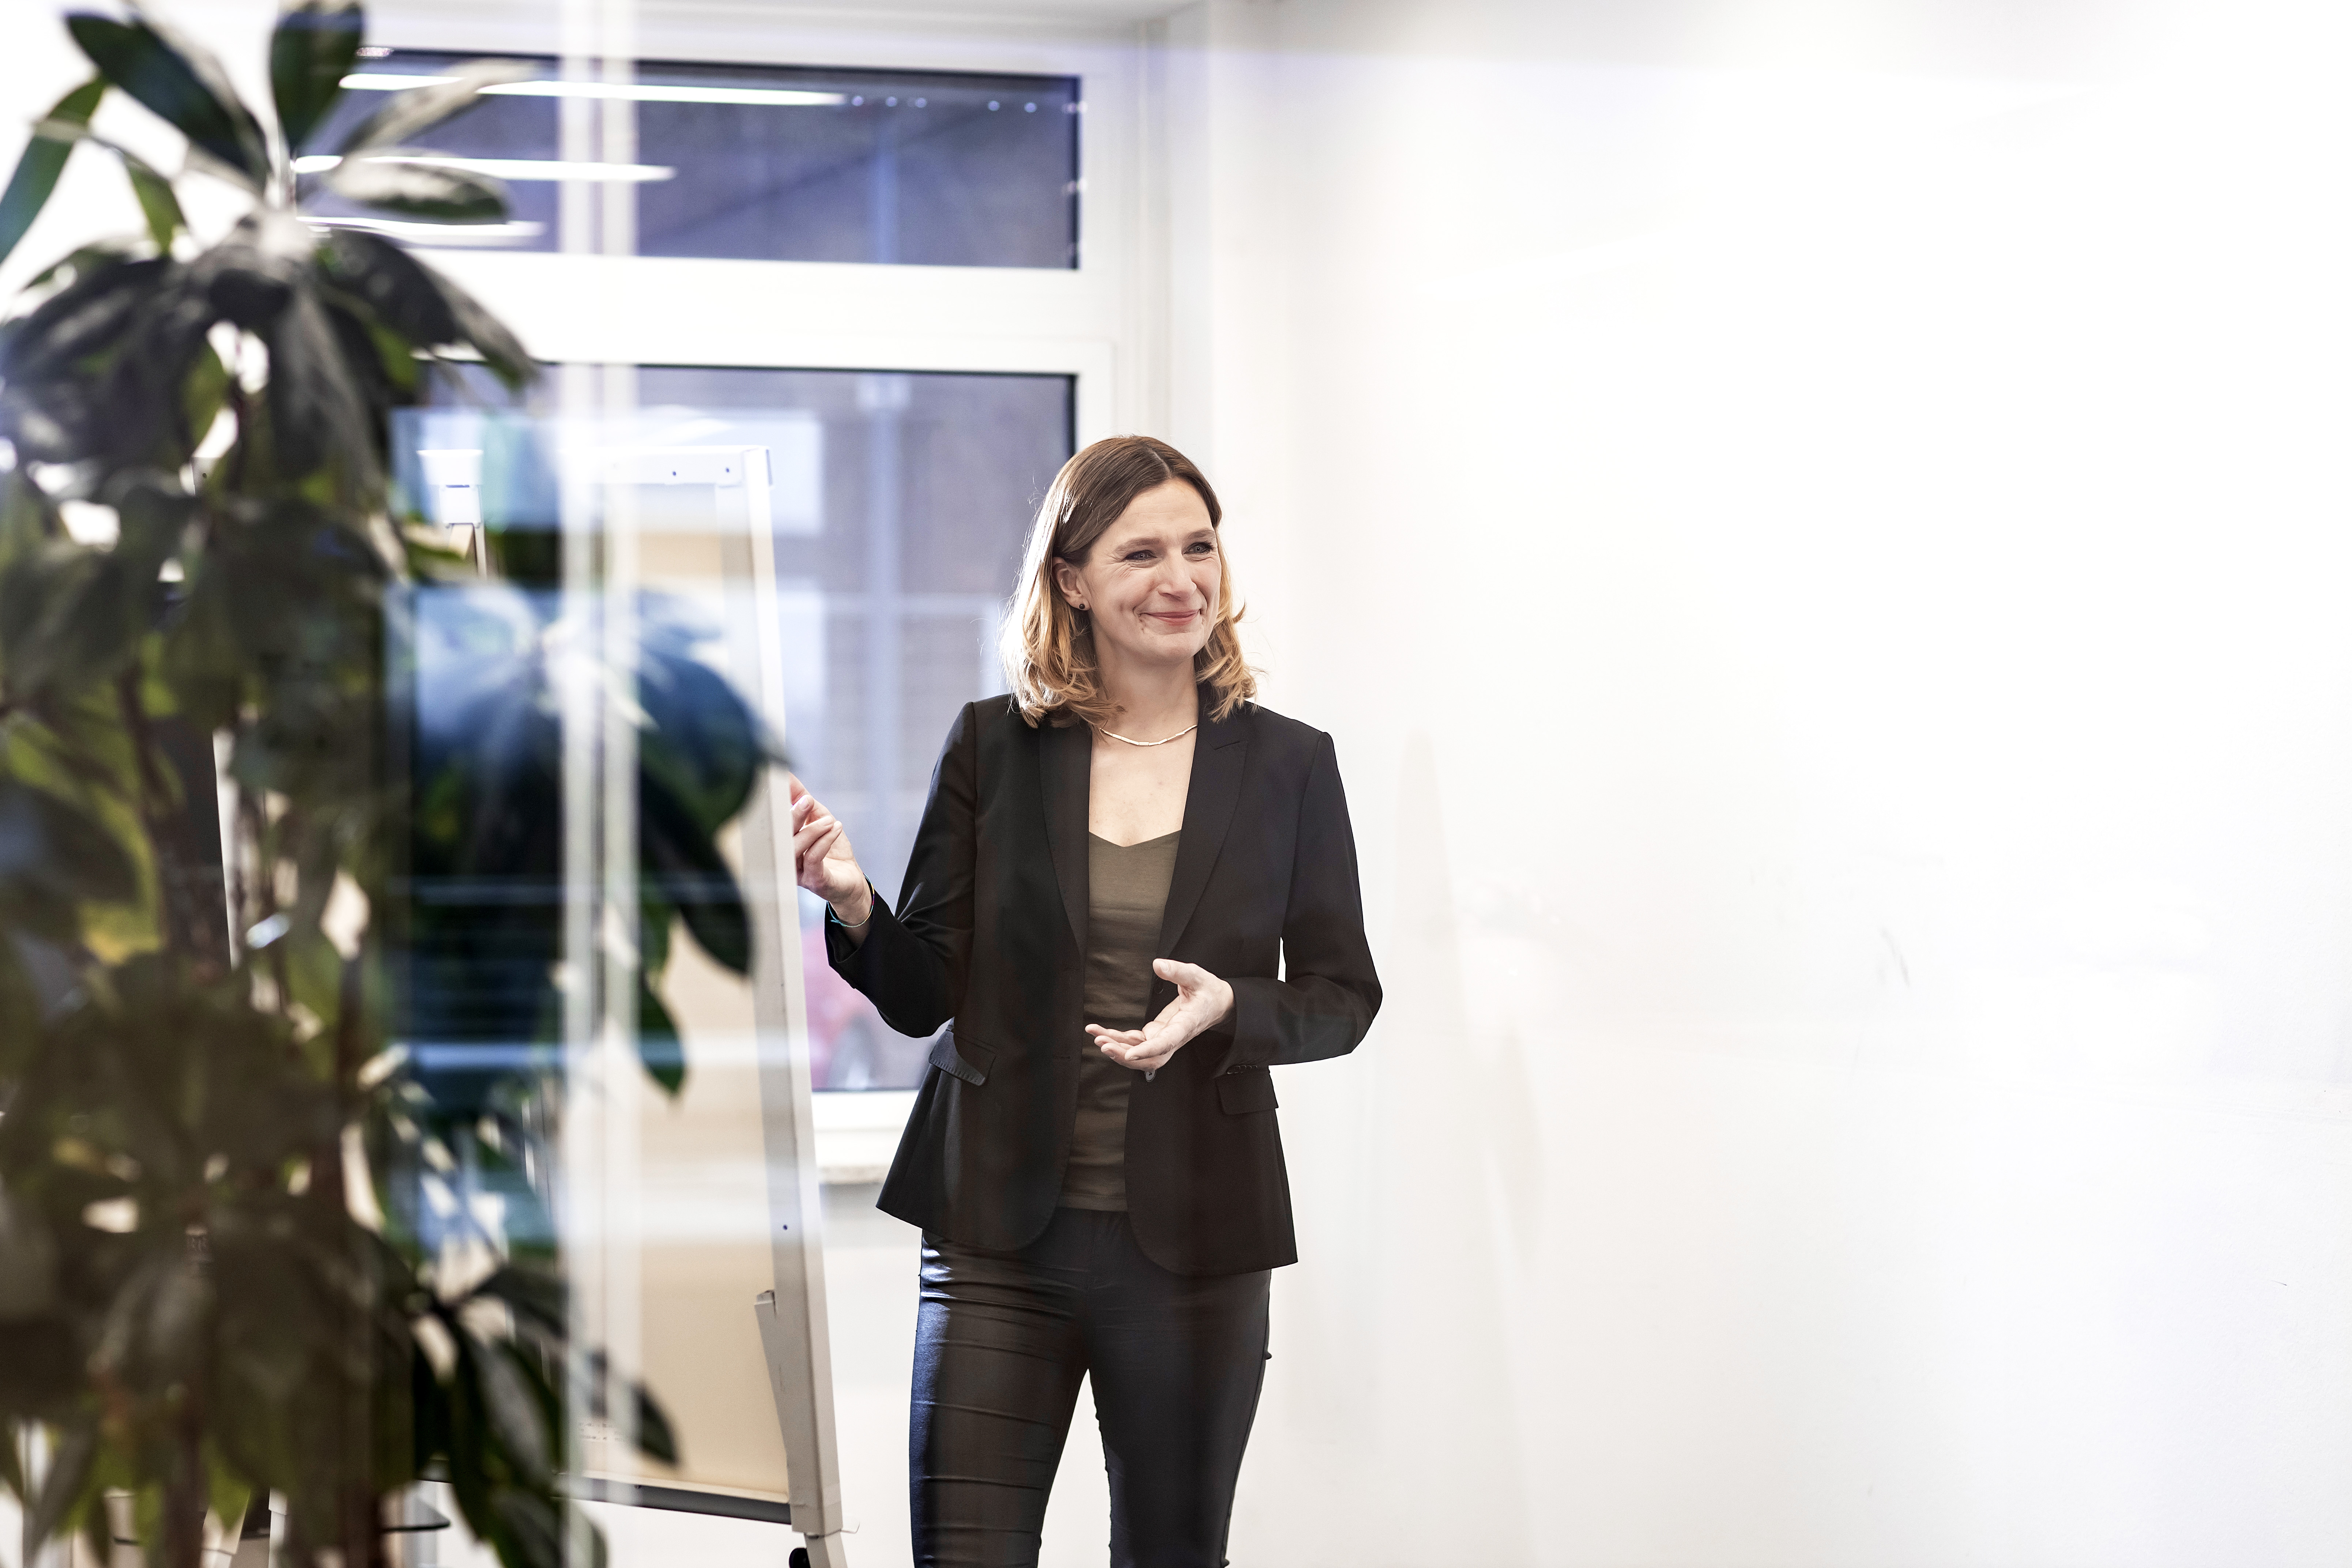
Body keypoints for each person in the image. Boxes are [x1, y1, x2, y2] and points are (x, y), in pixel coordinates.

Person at [787, 435, 1381, 1567]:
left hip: (1197, 1248)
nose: (1181, 579)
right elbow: (925, 996)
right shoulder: (993, 747)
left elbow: (1344, 995)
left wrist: (1230, 1007)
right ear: (1070, 578)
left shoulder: (1290, 765)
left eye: (1199, 547)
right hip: (996, 1242)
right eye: (1141, 553)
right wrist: (857, 904)